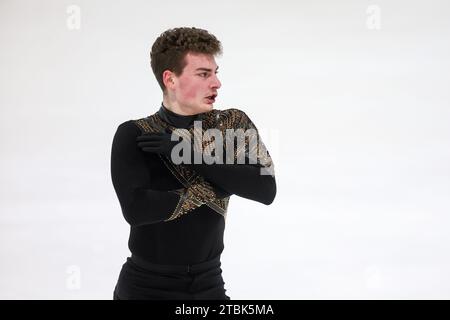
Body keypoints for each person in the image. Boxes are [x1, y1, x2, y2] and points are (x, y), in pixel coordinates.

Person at [110, 27, 277, 300]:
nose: (216, 83)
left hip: (209, 284)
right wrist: (217, 187)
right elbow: (137, 210)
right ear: (170, 79)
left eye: (215, 73)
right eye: (203, 74)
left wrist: (188, 153)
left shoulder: (232, 125)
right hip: (146, 288)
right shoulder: (136, 134)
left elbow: (265, 189)